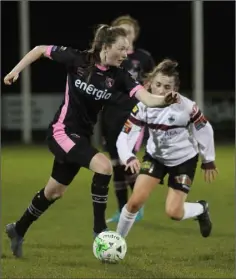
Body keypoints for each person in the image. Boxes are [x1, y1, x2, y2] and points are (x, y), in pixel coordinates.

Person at [3, 25, 178, 258]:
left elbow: (146, 98)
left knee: (54, 192)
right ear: (106, 47)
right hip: (61, 131)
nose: (126, 54)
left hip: (80, 138)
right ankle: (100, 231)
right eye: (122, 49)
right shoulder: (78, 59)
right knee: (104, 166)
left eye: (127, 49)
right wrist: (15, 71)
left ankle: (18, 229)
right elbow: (39, 49)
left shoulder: (120, 76)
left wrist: (165, 100)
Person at [115, 59, 218, 239]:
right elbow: (125, 136)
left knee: (174, 212)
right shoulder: (142, 107)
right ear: (149, 85)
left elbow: (205, 129)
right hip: (156, 157)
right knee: (134, 202)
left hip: (184, 160)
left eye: (167, 86)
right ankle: (116, 241)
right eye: (158, 85)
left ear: (175, 89)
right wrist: (129, 157)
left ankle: (202, 208)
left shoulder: (186, 107)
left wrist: (208, 159)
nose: (162, 90)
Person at [101, 15, 155, 224]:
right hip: (111, 115)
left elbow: (152, 82)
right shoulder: (109, 59)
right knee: (116, 164)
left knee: (128, 160)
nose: (125, 35)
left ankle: (136, 205)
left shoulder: (142, 57)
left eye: (128, 31)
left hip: (134, 115)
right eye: (120, 32)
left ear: (134, 34)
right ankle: (122, 209)